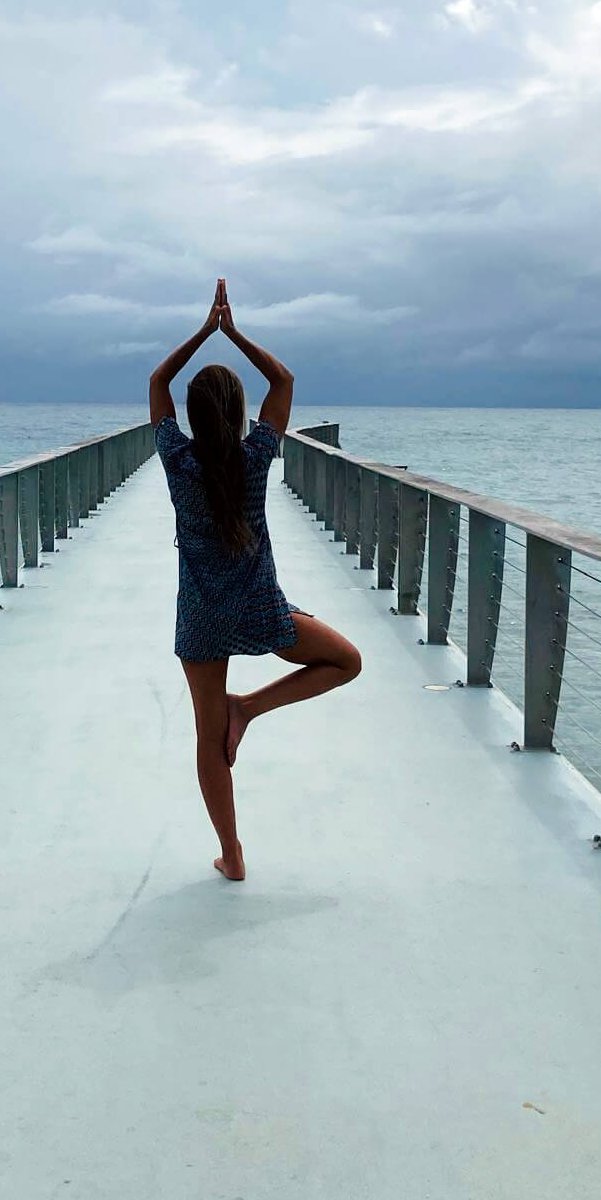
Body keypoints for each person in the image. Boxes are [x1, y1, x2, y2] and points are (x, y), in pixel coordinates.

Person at [149, 278, 362, 882]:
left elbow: (157, 383)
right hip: (260, 609)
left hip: (201, 618)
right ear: (240, 412)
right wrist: (233, 332)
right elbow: (285, 382)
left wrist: (202, 331)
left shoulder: (177, 460)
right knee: (346, 661)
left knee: (206, 738)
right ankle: (250, 708)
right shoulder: (255, 457)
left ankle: (233, 855)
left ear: (192, 415)